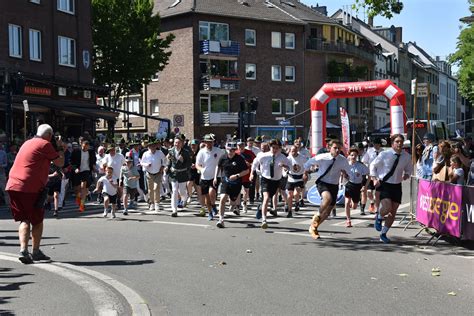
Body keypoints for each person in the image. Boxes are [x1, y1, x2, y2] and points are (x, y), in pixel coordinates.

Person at [6, 124, 64, 264]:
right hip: (30, 187)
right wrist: (60, 146)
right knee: (37, 220)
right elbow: (60, 162)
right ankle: (35, 251)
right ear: (49, 136)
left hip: (13, 184)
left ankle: (23, 250)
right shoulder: (45, 144)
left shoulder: (27, 142)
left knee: (24, 219)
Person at [304, 139, 350, 239]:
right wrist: (306, 172)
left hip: (334, 185)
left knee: (328, 212)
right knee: (327, 199)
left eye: (339, 148)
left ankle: (313, 227)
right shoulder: (323, 157)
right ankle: (317, 216)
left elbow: (349, 173)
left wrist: (346, 175)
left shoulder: (343, 160)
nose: (337, 150)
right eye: (335, 148)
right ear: (329, 148)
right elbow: (308, 163)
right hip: (322, 183)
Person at [370, 134, 412, 243]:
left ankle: (383, 234)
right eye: (397, 141)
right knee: (387, 207)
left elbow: (409, 169)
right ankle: (379, 217)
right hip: (385, 184)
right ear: (392, 143)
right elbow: (373, 166)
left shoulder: (406, 156)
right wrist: (374, 178)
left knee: (393, 212)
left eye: (401, 142)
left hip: (397, 185)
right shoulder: (385, 154)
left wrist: (406, 174)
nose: (399, 144)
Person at [250, 139, 290, 229]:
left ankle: (260, 208)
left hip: (276, 181)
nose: (274, 150)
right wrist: (252, 174)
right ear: (270, 147)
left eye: (276, 148)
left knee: (268, 198)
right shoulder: (263, 156)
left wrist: (284, 166)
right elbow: (255, 163)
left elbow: (289, 166)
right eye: (273, 147)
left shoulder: (282, 157)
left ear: (279, 148)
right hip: (265, 179)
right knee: (266, 197)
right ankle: (264, 220)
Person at [214, 141, 249, 228]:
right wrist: (215, 177)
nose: (231, 151)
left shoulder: (239, 158)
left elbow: (246, 171)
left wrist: (237, 175)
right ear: (226, 149)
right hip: (225, 182)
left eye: (233, 150)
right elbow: (218, 166)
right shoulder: (223, 157)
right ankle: (221, 220)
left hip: (236, 183)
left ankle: (234, 205)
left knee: (233, 200)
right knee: (222, 199)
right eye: (229, 150)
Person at [196, 134, 223, 220]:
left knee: (212, 192)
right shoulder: (201, 152)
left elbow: (224, 159)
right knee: (206, 196)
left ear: (213, 142)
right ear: (204, 142)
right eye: (207, 142)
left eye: (210, 142)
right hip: (204, 177)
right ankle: (210, 212)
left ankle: (213, 205)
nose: (209, 144)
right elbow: (197, 164)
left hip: (215, 176)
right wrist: (201, 169)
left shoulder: (218, 151)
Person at [344, 148, 369, 227]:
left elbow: (369, 175)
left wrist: (365, 186)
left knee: (354, 206)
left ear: (357, 156)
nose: (353, 157)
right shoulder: (346, 165)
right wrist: (341, 182)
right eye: (352, 155)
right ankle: (348, 220)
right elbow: (341, 171)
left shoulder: (361, 166)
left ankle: (353, 203)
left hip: (357, 186)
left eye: (355, 155)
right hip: (349, 184)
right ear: (349, 156)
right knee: (347, 202)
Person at [167, 136, 191, 217]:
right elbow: (169, 161)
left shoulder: (186, 152)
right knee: (174, 191)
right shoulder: (171, 151)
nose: (176, 144)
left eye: (178, 143)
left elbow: (189, 164)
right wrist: (167, 167)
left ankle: (185, 199)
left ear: (182, 144)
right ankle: (174, 210)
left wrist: (183, 161)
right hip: (174, 174)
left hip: (182, 173)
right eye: (175, 143)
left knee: (182, 191)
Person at [71, 140, 96, 212]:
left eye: (86, 148)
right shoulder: (76, 151)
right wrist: (75, 168)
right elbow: (71, 161)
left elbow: (93, 160)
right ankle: (79, 201)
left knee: (83, 187)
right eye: (84, 147)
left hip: (86, 170)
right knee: (77, 190)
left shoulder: (91, 151)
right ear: (81, 145)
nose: (85, 149)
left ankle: (82, 205)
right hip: (78, 171)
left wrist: (93, 166)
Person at [140, 140, 165, 212]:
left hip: (158, 173)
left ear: (156, 146)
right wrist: (146, 165)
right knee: (150, 189)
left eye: (154, 145)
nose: (152, 147)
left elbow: (165, 160)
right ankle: (152, 203)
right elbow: (142, 162)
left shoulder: (159, 153)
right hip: (149, 173)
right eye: (151, 146)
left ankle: (157, 203)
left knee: (156, 188)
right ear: (148, 147)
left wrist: (162, 167)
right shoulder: (145, 154)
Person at [362, 137, 384, 214]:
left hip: (379, 175)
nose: (376, 146)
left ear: (380, 145)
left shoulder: (383, 152)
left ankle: (376, 207)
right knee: (369, 191)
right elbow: (364, 161)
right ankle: (372, 202)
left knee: (377, 193)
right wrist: (366, 170)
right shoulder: (369, 151)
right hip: (370, 174)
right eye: (375, 144)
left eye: (378, 144)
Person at [286, 145, 306, 218]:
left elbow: (306, 165)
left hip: (299, 178)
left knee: (296, 193)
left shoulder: (302, 158)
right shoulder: (288, 158)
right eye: (291, 151)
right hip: (291, 178)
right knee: (290, 195)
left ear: (297, 150)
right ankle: (289, 211)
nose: (293, 152)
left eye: (294, 150)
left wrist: (305, 173)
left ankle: (297, 202)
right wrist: (285, 170)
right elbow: (285, 166)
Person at [102, 144, 126, 209]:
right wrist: (106, 173)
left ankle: (118, 200)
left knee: (120, 190)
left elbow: (124, 164)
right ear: (109, 151)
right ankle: (114, 201)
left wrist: (125, 172)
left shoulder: (120, 156)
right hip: (111, 177)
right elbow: (104, 165)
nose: (112, 151)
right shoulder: (107, 157)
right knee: (113, 190)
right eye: (111, 150)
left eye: (113, 150)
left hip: (119, 176)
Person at [237, 140, 255, 213]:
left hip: (247, 175)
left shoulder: (249, 153)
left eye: (242, 145)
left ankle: (244, 203)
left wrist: (249, 164)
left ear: (244, 146)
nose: (240, 147)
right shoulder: (235, 153)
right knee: (237, 191)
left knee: (246, 191)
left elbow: (255, 162)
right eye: (239, 146)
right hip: (238, 175)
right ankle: (237, 206)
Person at [188, 139, 205, 215]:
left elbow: (203, 162)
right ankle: (190, 196)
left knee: (198, 188)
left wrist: (197, 165)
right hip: (190, 171)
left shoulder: (200, 153)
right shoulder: (189, 153)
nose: (193, 146)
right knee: (189, 183)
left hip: (198, 172)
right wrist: (190, 165)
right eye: (192, 145)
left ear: (197, 145)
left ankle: (202, 204)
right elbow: (186, 161)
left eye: (194, 145)